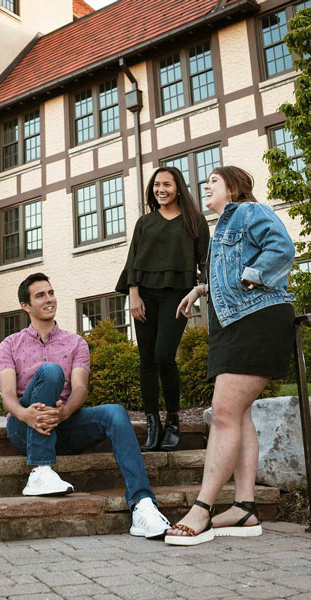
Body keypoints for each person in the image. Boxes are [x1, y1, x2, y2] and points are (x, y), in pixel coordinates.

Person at [165, 166, 296, 546]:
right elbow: (230, 270)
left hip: (258, 318)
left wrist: (251, 276)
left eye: (214, 182)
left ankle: (202, 510)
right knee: (239, 414)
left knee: (222, 413)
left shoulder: (248, 212)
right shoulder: (223, 227)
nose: (206, 186)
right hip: (234, 322)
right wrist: (201, 289)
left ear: (233, 187)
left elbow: (282, 248)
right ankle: (244, 507)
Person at [0, 272, 171, 539]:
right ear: (26, 306)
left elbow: (79, 388)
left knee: (114, 412)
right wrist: (25, 414)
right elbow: (7, 393)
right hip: (23, 428)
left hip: (64, 425)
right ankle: (41, 469)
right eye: (40, 295)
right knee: (51, 372)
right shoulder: (10, 344)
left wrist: (63, 412)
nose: (49, 299)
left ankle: (141, 505)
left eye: (51, 293)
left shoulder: (75, 342)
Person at [116, 167, 209, 452]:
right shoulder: (145, 222)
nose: (161, 189)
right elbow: (133, 260)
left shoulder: (195, 222)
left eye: (166, 184)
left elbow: (205, 262)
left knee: (163, 355)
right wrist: (133, 295)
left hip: (177, 296)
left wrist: (198, 291)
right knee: (146, 360)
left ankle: (173, 419)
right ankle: (152, 423)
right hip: (144, 295)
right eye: (156, 185)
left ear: (178, 187)